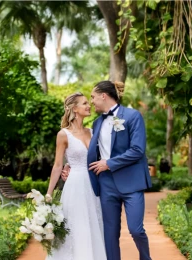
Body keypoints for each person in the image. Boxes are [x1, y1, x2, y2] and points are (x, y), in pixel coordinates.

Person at [62, 80, 152, 260]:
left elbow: (137, 150)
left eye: (93, 97)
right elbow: (88, 150)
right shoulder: (96, 124)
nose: (92, 101)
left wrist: (108, 163)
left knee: (136, 229)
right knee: (109, 234)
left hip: (132, 182)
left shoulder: (133, 116)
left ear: (104, 96)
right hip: (106, 184)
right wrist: (69, 165)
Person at [45, 92, 107, 260]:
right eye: (85, 103)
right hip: (75, 186)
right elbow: (58, 165)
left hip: (94, 185)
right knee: (77, 227)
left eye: (89, 102)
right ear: (74, 108)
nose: (89, 106)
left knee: (94, 224)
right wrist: (49, 194)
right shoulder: (63, 134)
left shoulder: (93, 131)